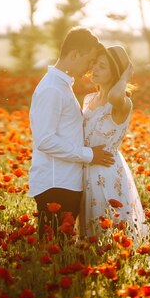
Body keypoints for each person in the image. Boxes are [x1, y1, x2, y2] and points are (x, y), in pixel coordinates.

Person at [29, 27, 114, 242]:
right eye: (90, 60)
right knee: (54, 252)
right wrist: (89, 155)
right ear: (75, 54)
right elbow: (45, 140)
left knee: (62, 250)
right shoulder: (52, 89)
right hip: (56, 185)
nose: (90, 67)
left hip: (66, 182)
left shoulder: (62, 86)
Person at [80, 45, 149, 239]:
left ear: (115, 74)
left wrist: (126, 75)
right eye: (95, 64)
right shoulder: (88, 99)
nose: (94, 69)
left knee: (110, 232)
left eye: (102, 66)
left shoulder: (122, 102)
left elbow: (115, 94)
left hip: (106, 171)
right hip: (84, 168)